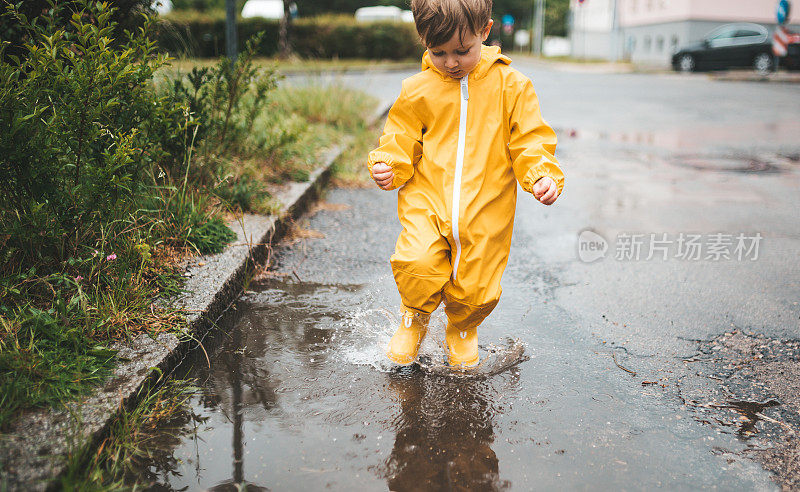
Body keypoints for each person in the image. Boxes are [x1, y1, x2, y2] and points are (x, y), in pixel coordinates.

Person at [368, 0, 564, 369]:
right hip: (427, 200)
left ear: (485, 31)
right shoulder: (417, 89)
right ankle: (413, 319)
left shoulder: (513, 86)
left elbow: (530, 140)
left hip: (486, 206)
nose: (451, 62)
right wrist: (388, 165)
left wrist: (541, 174)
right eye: (437, 51)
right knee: (417, 261)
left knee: (476, 280)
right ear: (423, 40)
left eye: (462, 51)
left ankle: (461, 327)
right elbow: (399, 137)